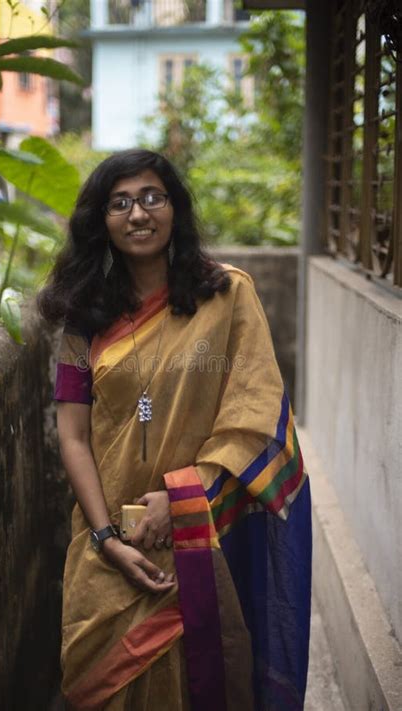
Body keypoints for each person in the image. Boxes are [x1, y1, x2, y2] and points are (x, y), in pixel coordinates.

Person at [37, 149, 312, 711]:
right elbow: (72, 435)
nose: (138, 214)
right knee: (101, 683)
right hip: (109, 535)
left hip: (199, 532)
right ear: (101, 221)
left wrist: (182, 497)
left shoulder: (227, 296)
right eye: (119, 203)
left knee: (201, 678)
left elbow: (258, 417)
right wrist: (105, 538)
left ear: (174, 208)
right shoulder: (82, 316)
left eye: (151, 197)